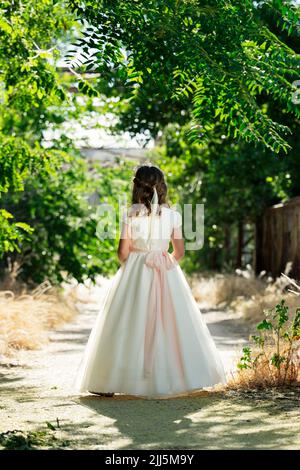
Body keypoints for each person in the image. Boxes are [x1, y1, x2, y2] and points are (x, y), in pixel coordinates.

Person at [74, 164, 226, 398]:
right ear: (162, 187)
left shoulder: (130, 214)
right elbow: (180, 251)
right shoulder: (172, 215)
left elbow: (122, 253)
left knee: (127, 322)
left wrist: (137, 254)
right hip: (166, 271)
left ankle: (110, 381)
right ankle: (185, 378)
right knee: (171, 323)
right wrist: (165, 262)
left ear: (136, 187)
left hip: (136, 270)